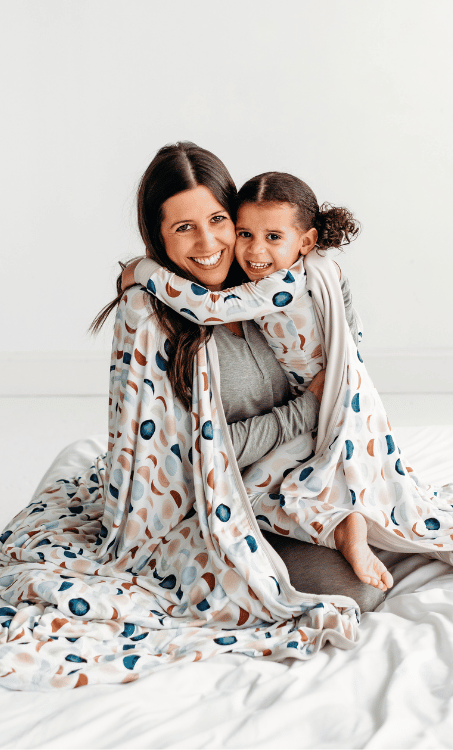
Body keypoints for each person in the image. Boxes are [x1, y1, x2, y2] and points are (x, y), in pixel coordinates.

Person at [0, 142, 360, 689]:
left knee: (384, 533)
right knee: (349, 592)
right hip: (207, 504)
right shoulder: (150, 318)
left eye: (218, 220)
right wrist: (310, 409)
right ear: (158, 237)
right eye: (183, 228)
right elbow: (197, 455)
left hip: (287, 476)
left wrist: (325, 413)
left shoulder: (261, 286)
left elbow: (338, 357)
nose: (210, 242)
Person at [122, 171, 453, 591]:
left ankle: (346, 522)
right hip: (311, 405)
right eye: (246, 233)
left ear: (304, 242)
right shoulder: (160, 316)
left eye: (271, 236)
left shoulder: (281, 284)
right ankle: (345, 519)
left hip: (336, 397)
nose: (252, 249)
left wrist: (142, 269)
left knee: (315, 473)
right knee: (294, 480)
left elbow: (208, 307)